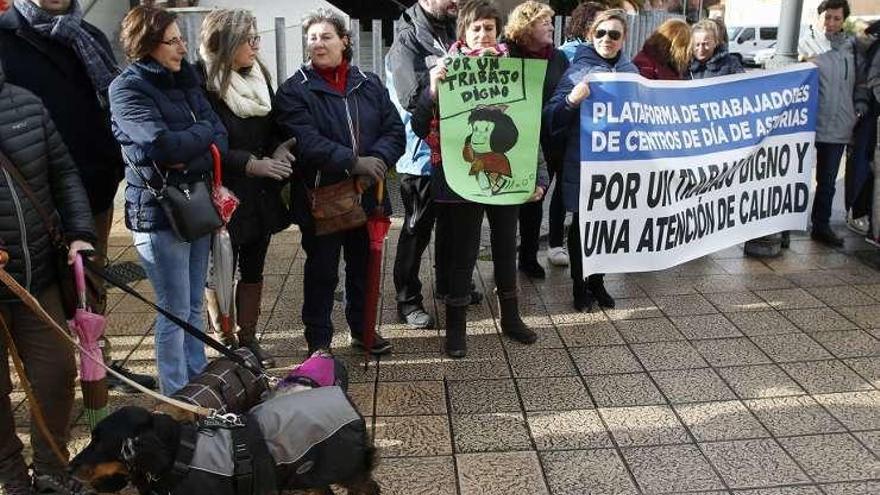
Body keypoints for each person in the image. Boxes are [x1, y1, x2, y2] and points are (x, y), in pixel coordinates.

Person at [0, 0, 156, 393]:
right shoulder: (6, 36)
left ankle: (97, 377)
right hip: (31, 203)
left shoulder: (87, 35)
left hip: (93, 189)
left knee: (89, 292)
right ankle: (45, 384)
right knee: (41, 301)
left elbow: (108, 103)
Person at [415, 0, 546, 357]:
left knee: (506, 248)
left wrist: (539, 178)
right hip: (460, 178)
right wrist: (432, 90)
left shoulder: (516, 70)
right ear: (464, 33)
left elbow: (531, 129)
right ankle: (456, 329)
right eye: (476, 29)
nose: (484, 35)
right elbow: (417, 123)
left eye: (489, 28)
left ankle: (511, 318)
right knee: (463, 252)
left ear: (498, 31)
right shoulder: (445, 70)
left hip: (506, 175)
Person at [110, 5, 228, 395]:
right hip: (160, 212)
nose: (182, 47)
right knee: (173, 309)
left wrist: (192, 145)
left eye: (182, 38)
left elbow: (220, 135)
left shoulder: (186, 79)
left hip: (196, 204)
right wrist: (202, 139)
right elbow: (161, 146)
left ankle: (198, 377)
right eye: (173, 40)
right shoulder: (126, 88)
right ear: (146, 45)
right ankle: (176, 392)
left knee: (194, 302)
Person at [275, 9, 404, 355]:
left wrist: (375, 161)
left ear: (345, 41)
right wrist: (353, 161)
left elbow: (395, 130)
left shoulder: (369, 82)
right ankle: (319, 341)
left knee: (364, 266)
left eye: (326, 36)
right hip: (322, 197)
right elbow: (305, 141)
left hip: (368, 193)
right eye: (312, 38)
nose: (318, 43)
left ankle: (363, 329)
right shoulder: (294, 90)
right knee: (322, 272)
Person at [0, 61, 96, 495]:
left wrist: (79, 232)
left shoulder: (27, 103)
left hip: (38, 277)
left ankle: (52, 470)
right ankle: (12, 476)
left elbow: (64, 173)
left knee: (57, 371)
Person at [198, 9, 295, 369]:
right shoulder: (203, 83)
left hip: (260, 191)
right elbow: (208, 142)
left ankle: (248, 337)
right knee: (221, 267)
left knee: (254, 266)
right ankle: (223, 339)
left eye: (257, 37)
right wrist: (248, 162)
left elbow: (270, 127)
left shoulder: (257, 75)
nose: (256, 45)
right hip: (224, 192)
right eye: (248, 39)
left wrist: (279, 149)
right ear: (225, 43)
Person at [387, 0, 483, 330]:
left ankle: (445, 285)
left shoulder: (452, 28)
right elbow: (410, 98)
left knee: (451, 225)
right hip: (421, 157)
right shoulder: (407, 40)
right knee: (416, 231)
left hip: (456, 153)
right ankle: (407, 300)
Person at [544, 9, 638, 312]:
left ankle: (598, 282)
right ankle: (579, 286)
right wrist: (573, 99)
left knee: (608, 226)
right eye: (600, 33)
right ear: (590, 35)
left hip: (617, 166)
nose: (606, 39)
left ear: (623, 38)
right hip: (583, 163)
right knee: (583, 226)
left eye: (613, 34)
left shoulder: (631, 73)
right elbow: (551, 117)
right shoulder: (576, 71)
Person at [503, 1, 570, 276]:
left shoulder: (558, 58)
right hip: (512, 142)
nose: (552, 27)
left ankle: (528, 258)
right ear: (527, 26)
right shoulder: (505, 53)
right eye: (545, 22)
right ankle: (504, 261)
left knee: (535, 201)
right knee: (507, 208)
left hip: (549, 142)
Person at [799, 0, 869, 247]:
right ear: (819, 17)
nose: (831, 23)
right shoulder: (804, 44)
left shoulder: (852, 47)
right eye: (827, 17)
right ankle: (786, 227)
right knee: (796, 179)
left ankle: (821, 225)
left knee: (827, 182)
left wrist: (858, 108)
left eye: (836, 18)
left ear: (843, 21)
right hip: (808, 125)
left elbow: (861, 81)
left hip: (839, 124)